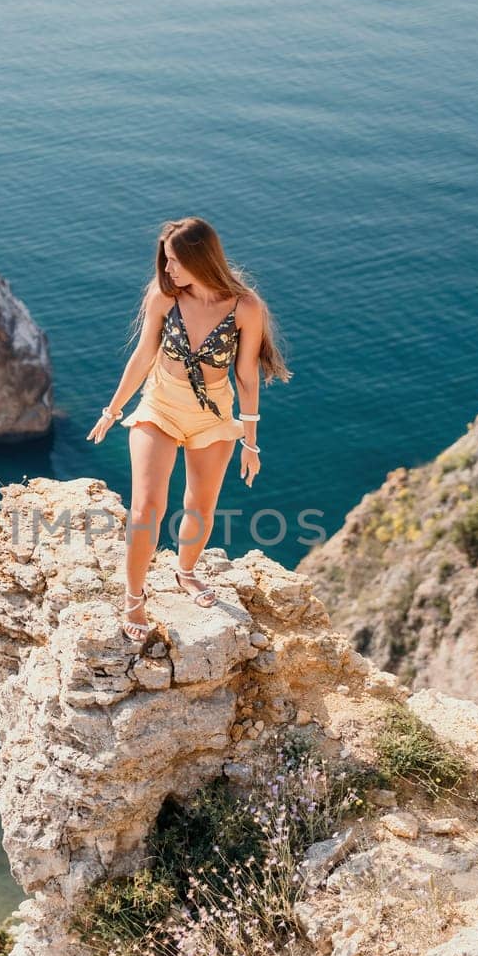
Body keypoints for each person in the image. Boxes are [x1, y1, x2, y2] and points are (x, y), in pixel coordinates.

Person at [86, 217, 291, 642]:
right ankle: (133, 597)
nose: (168, 270)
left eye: (176, 261)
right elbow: (143, 355)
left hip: (213, 417)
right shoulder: (163, 296)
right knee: (147, 507)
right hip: (158, 406)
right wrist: (113, 409)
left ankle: (185, 571)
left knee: (201, 504)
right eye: (165, 261)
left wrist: (251, 442)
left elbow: (247, 377)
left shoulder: (245, 307)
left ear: (202, 258)